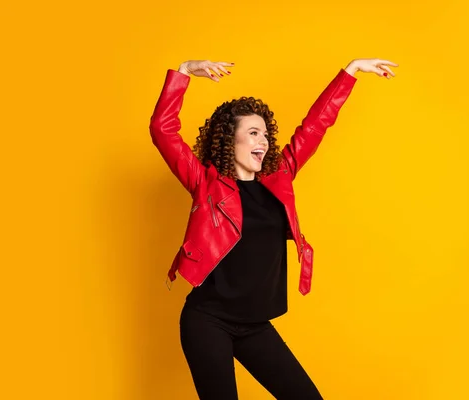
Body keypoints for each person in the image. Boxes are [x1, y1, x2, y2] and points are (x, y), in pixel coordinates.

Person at [149, 57, 397, 399]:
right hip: (208, 321)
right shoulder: (205, 183)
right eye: (253, 133)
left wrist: (351, 71)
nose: (263, 142)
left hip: (254, 325)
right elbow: (163, 130)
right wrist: (183, 71)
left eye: (265, 134)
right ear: (229, 139)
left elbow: (314, 127)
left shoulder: (278, 178)